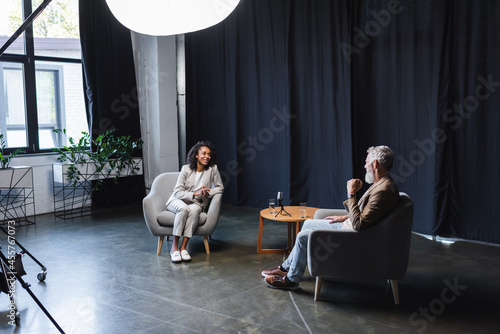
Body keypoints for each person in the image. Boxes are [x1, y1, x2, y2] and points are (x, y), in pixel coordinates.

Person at [262, 145, 400, 289]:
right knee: (308, 223)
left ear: (375, 164)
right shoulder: (382, 184)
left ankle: (291, 280)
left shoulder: (383, 190)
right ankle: (285, 268)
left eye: (366, 162)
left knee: (303, 236)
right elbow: (368, 214)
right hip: (349, 227)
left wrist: (351, 194)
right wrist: (344, 217)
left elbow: (359, 225)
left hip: (353, 236)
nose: (364, 166)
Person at [166, 141, 224, 263]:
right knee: (184, 209)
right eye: (204, 153)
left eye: (209, 154)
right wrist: (195, 193)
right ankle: (174, 247)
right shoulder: (186, 169)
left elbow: (220, 187)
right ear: (196, 155)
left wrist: (208, 193)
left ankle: (183, 248)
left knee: (194, 210)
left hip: (197, 203)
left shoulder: (213, 169)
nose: (207, 156)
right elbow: (177, 191)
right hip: (178, 200)